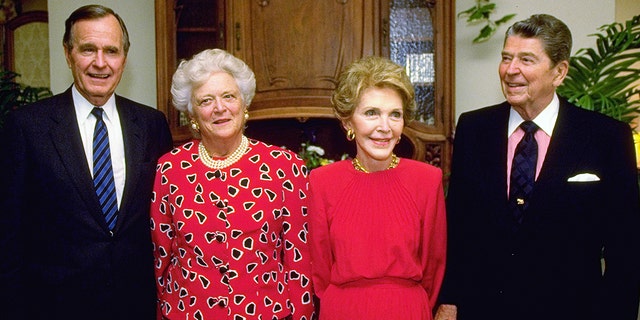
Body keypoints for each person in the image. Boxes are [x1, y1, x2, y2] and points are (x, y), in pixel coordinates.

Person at [435, 14, 640, 320]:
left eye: (526, 59)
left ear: (559, 72)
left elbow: (626, 249)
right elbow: (459, 226)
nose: (510, 70)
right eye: (506, 57)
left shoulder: (606, 136)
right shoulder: (474, 128)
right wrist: (449, 301)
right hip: (484, 308)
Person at [0, 4, 174, 319]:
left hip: (136, 306)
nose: (100, 63)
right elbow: (8, 237)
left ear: (124, 57)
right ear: (68, 54)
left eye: (111, 51)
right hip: (55, 307)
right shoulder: (26, 127)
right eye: (88, 50)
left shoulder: (152, 125)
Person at [151, 48, 315, 320]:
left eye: (229, 96)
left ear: (244, 103)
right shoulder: (170, 169)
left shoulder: (285, 167)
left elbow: (299, 261)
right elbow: (161, 256)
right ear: (192, 113)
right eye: (206, 100)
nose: (219, 108)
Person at [308, 56, 447, 320]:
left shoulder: (427, 180)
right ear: (348, 122)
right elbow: (320, 269)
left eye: (395, 115)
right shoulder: (322, 181)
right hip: (343, 311)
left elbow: (433, 266)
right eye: (371, 113)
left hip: (408, 311)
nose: (384, 127)